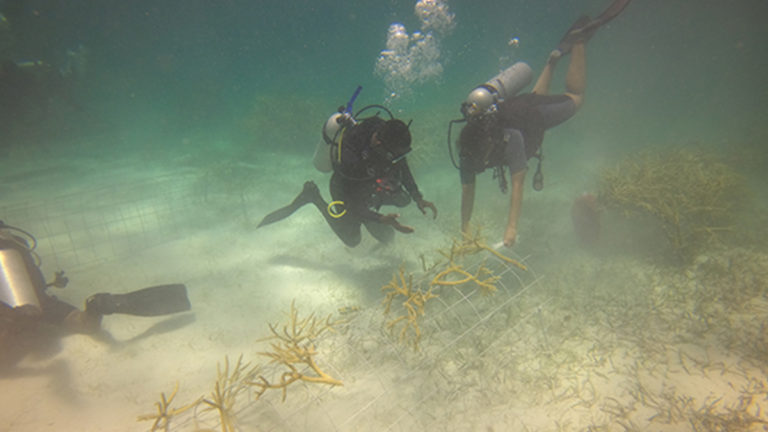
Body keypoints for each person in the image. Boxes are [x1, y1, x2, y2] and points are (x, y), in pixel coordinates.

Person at [456, 0, 631, 247]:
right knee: (534, 98)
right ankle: (553, 60)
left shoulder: (508, 138)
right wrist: (465, 229)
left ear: (487, 140)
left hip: (533, 115)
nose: (481, 161)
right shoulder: (466, 152)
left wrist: (511, 229)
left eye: (483, 155)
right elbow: (468, 192)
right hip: (523, 107)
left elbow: (518, 183)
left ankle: (579, 42)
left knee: (576, 98)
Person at [0, 222, 191, 369]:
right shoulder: (12, 248)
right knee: (71, 320)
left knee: (33, 316)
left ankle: (100, 305)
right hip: (30, 309)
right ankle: (99, 305)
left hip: (21, 315)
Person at [257, 109, 437, 247]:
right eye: (391, 156)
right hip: (346, 188)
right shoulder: (351, 157)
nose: (394, 161)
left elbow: (402, 166)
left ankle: (373, 214)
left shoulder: (386, 134)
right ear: (378, 143)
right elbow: (354, 204)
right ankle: (312, 196)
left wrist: (417, 197)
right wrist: (379, 218)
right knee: (352, 239)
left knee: (392, 226)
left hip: (370, 183)